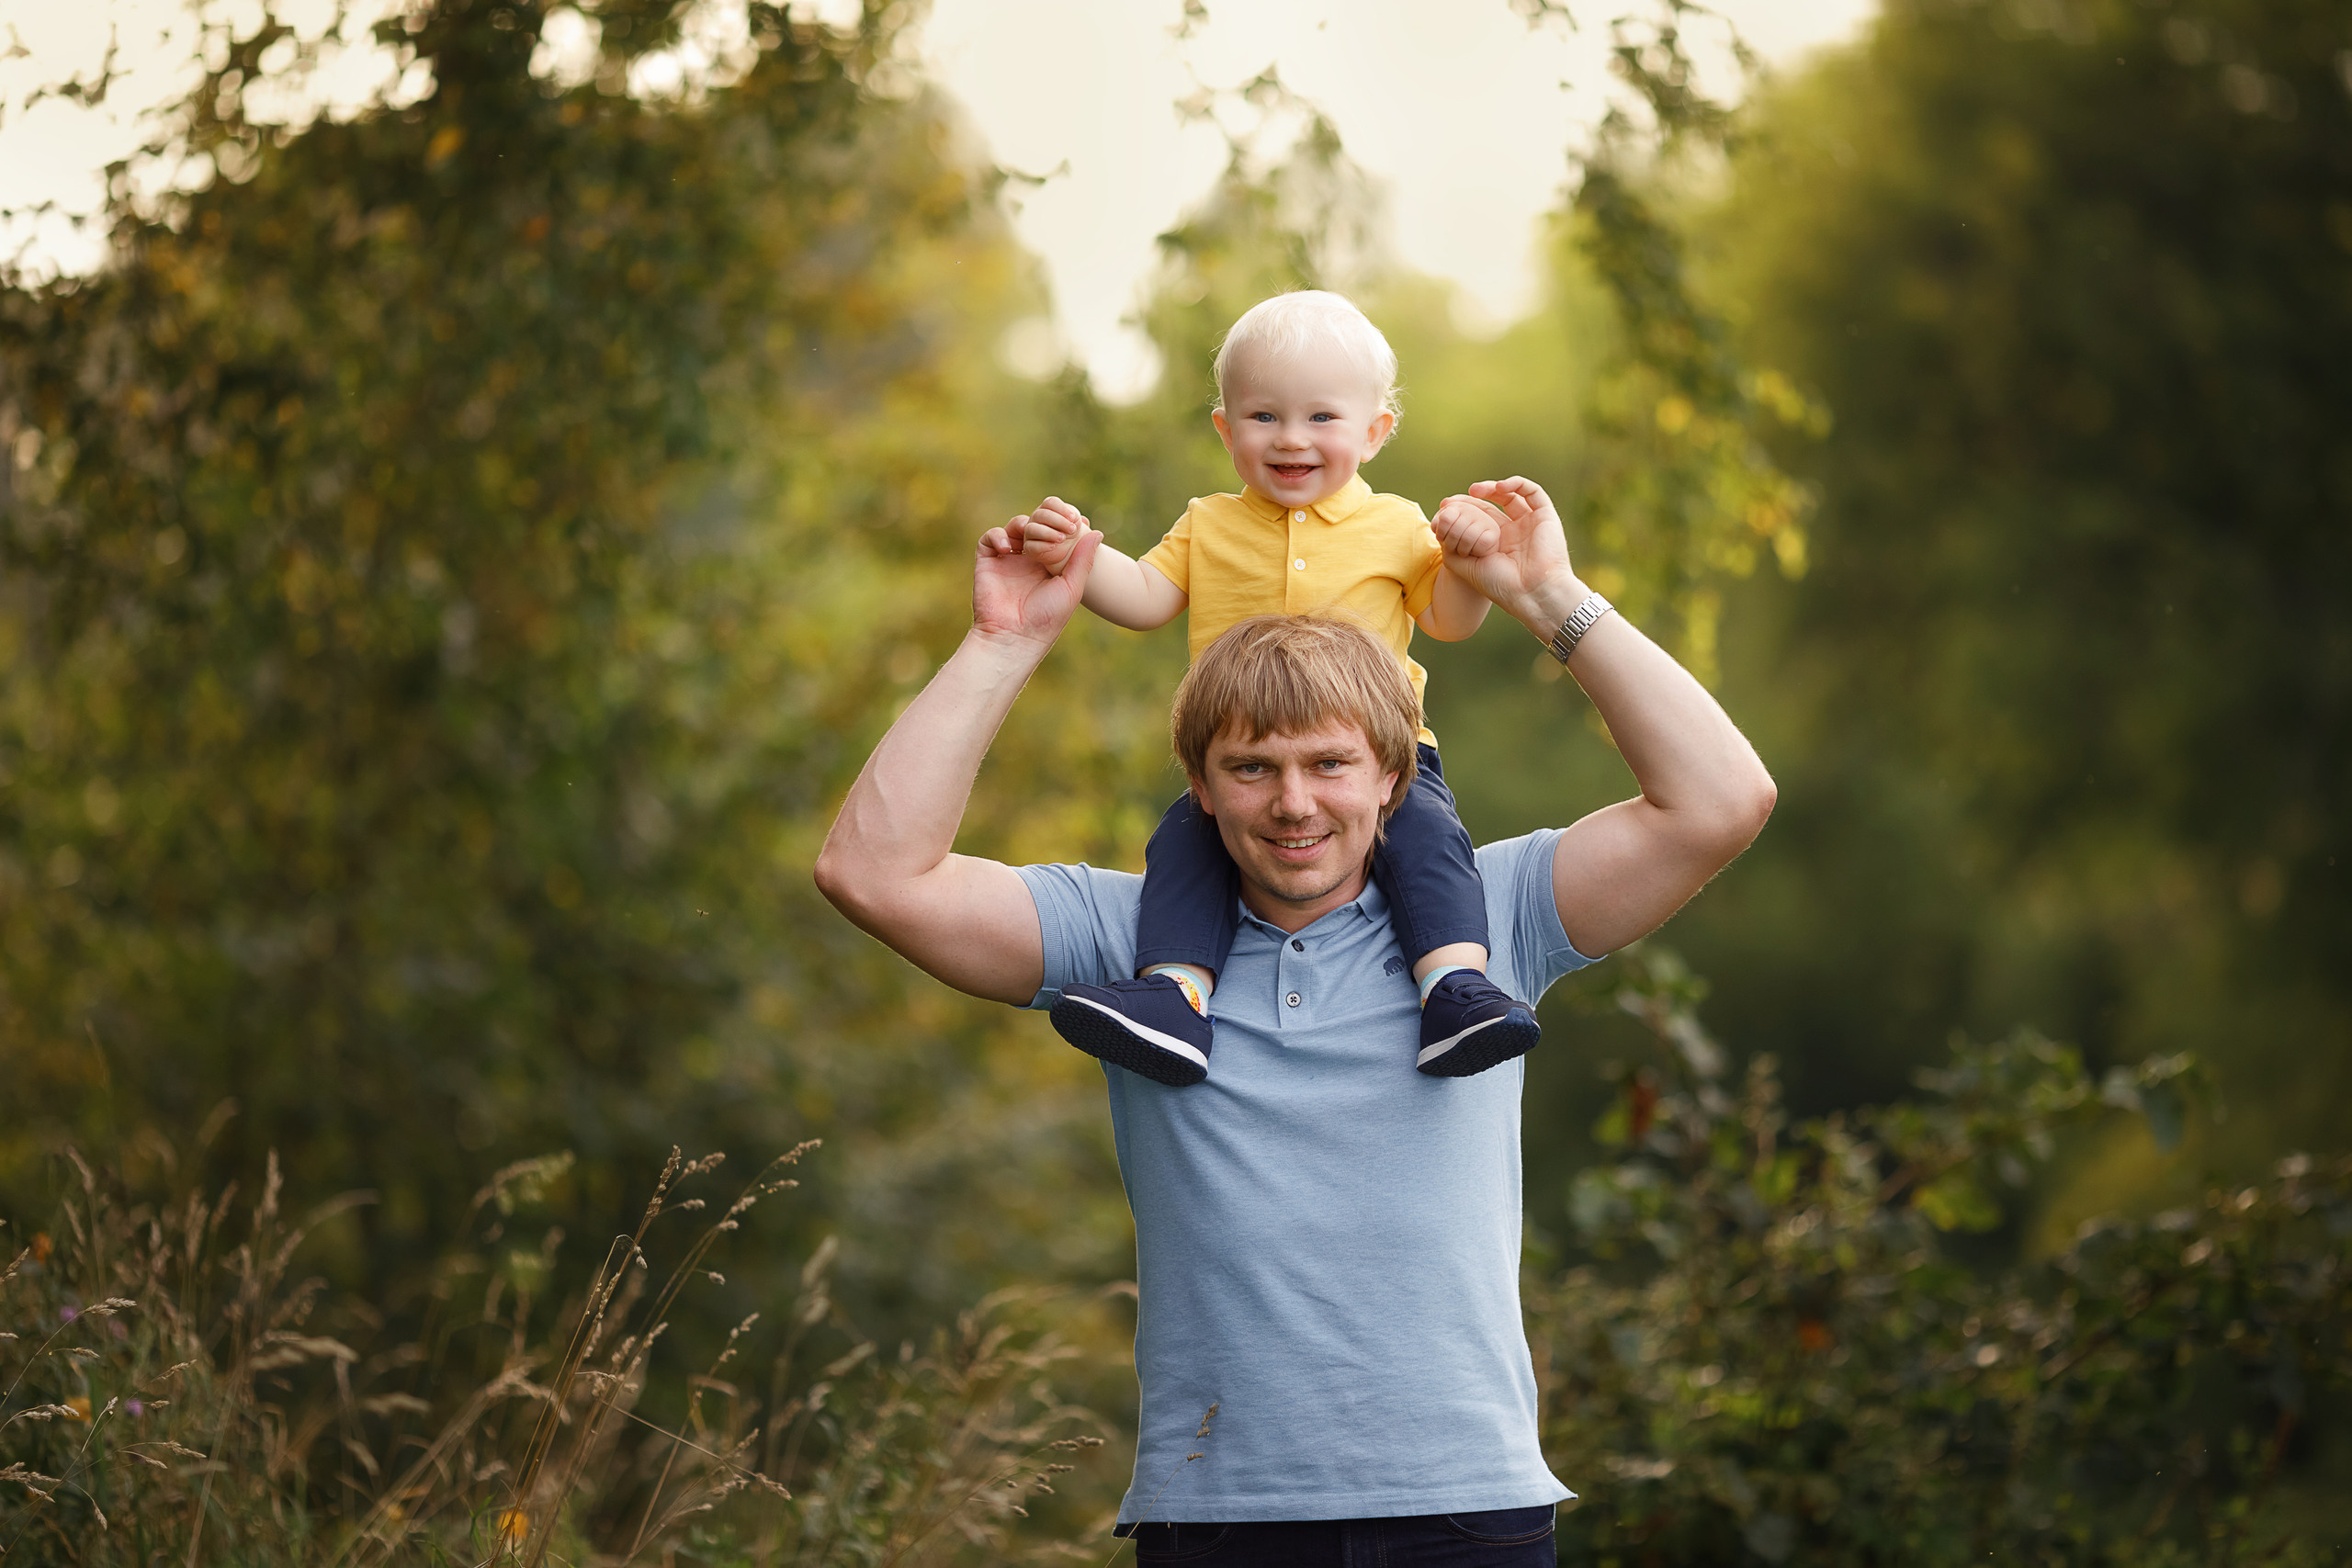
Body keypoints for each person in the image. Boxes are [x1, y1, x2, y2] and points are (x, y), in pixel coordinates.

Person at [813, 472, 1777, 1562]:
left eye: (1329, 765)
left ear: (1392, 779)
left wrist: (1550, 595)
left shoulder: (1488, 919)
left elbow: (1723, 800)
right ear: (1202, 785)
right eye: (1251, 769)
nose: (1292, 803)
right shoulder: (1124, 942)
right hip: (1220, 1515)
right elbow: (871, 874)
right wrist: (1000, 644)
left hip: (1465, 1512)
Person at [1016, 289, 1540, 1087]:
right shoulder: (1209, 523)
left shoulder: (1397, 525)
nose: (1291, 439)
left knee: (1429, 842)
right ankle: (1176, 996)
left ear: (1375, 432)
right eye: (1263, 417)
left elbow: (1447, 620)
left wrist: (1470, 562)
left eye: (1322, 419)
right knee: (1185, 848)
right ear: (1226, 429)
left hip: (1375, 758)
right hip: (1241, 756)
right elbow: (1147, 600)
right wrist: (1078, 559)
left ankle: (1454, 986)